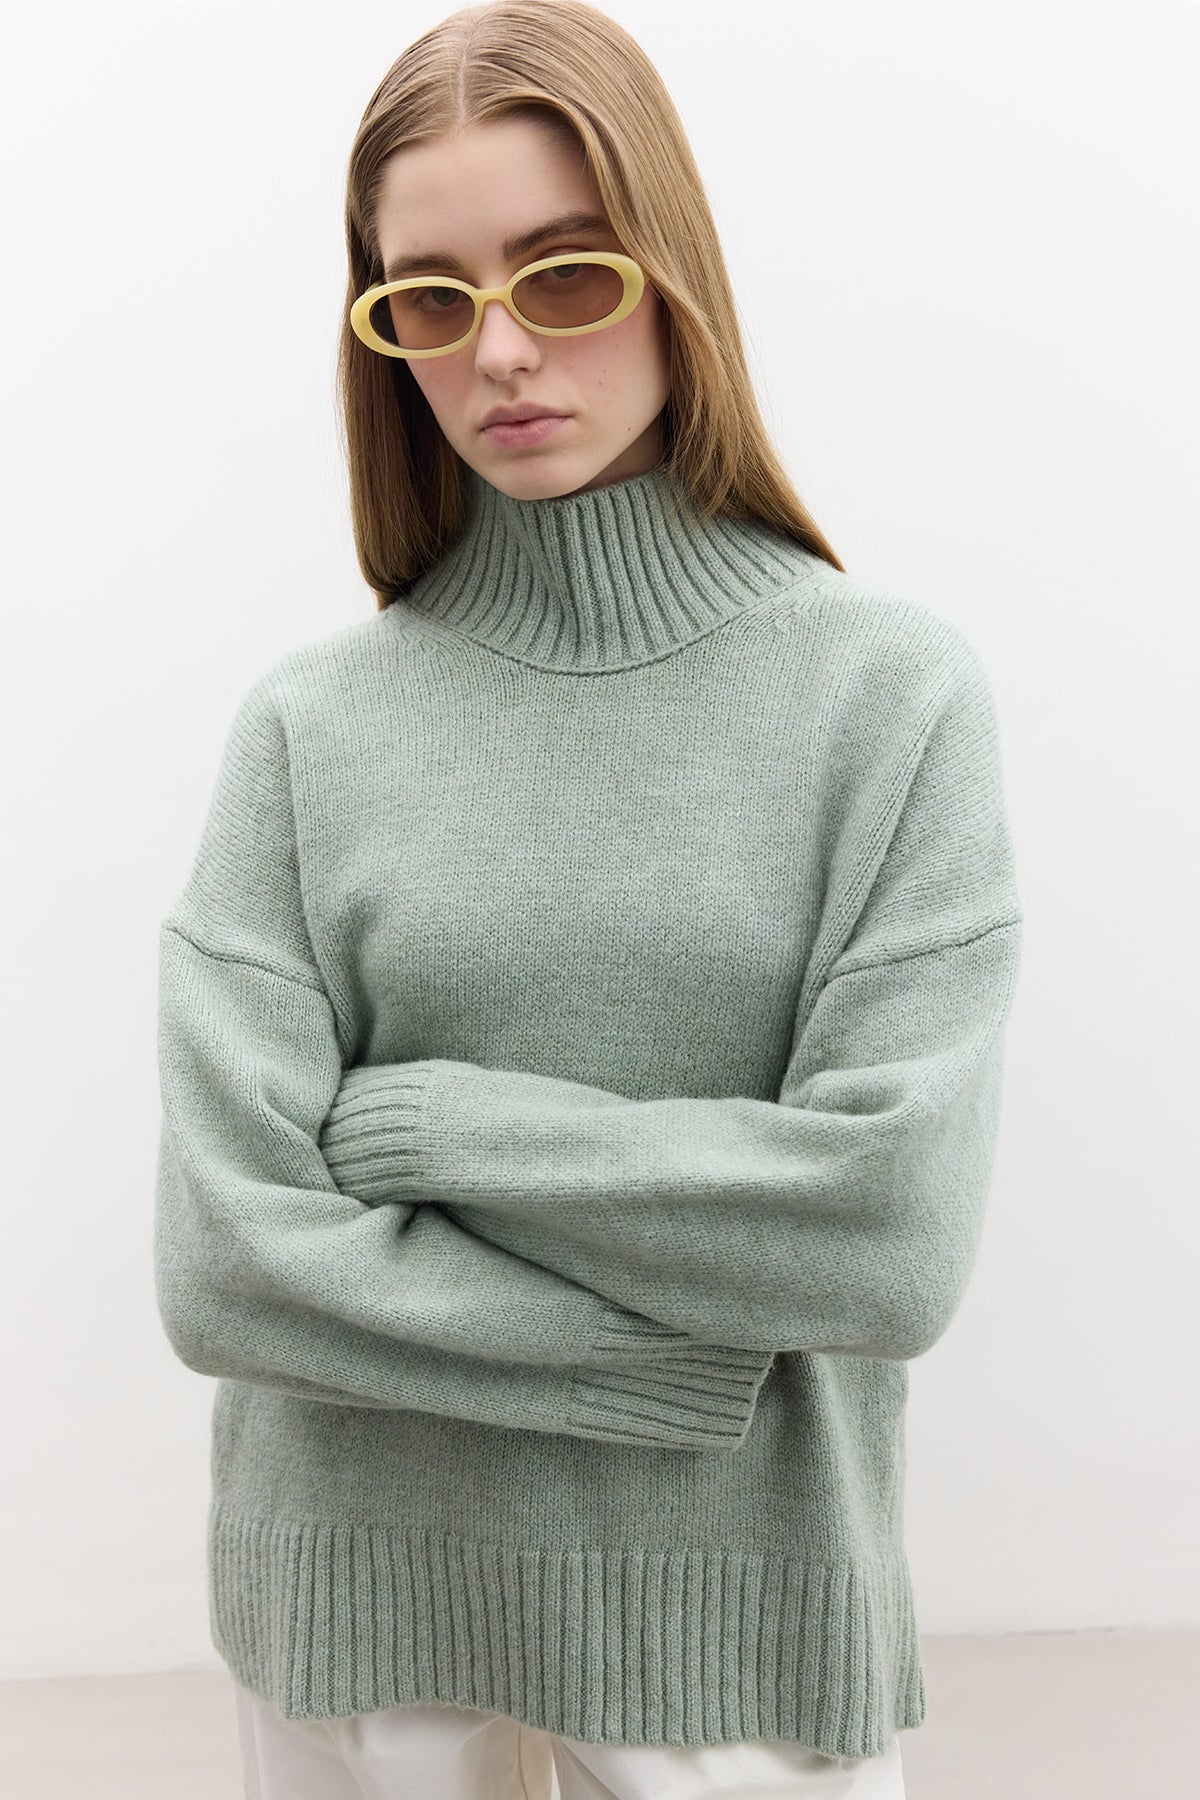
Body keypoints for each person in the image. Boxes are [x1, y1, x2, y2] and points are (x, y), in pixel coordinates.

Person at [152, 2, 1024, 1796]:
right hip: (356, 1586)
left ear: (672, 270)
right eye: (428, 299)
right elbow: (228, 1262)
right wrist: (656, 1362)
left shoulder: (887, 699)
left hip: (736, 1603)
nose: (498, 351)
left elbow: (888, 1231)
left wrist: (438, 1130)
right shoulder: (311, 730)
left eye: (564, 274)